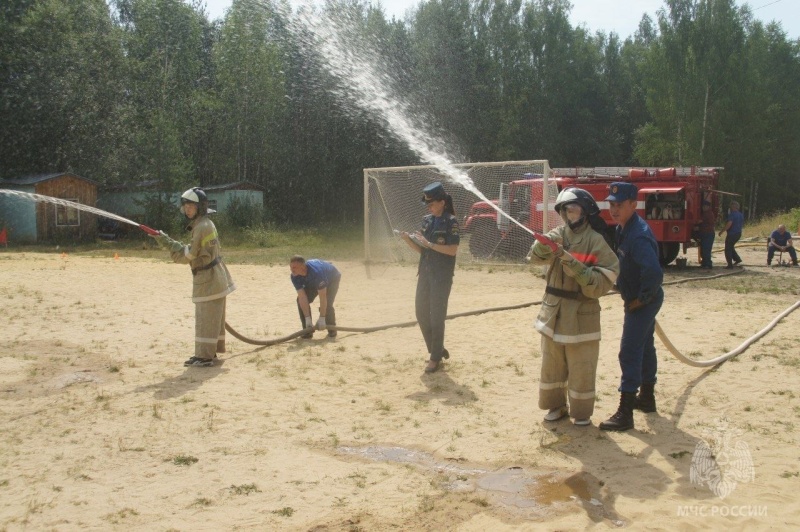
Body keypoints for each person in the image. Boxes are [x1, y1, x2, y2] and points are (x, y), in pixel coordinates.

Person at [527, 188, 619, 426]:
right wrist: (544, 247)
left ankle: (581, 412)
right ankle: (555, 406)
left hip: (581, 315)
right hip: (553, 313)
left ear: (585, 212)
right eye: (566, 210)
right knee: (552, 363)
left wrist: (572, 263)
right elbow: (534, 258)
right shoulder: (558, 233)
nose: (569, 215)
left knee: (581, 366)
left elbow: (601, 284)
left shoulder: (596, 241)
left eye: (574, 209)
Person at [600, 182, 664, 432]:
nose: (614, 210)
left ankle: (625, 413)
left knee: (629, 351)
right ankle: (647, 398)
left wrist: (641, 299)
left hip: (642, 302)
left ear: (632, 205)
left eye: (619, 205)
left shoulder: (637, 235)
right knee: (645, 346)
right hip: (637, 298)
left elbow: (654, 272)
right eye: (612, 205)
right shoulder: (623, 228)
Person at [152, 187, 236, 367]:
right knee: (212, 319)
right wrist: (167, 241)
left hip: (208, 279)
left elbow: (189, 255)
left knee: (206, 319)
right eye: (185, 206)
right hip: (214, 278)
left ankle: (205, 357)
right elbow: (193, 251)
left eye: (191, 206)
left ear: (200, 207)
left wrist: (166, 243)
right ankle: (207, 353)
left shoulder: (202, 227)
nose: (187, 209)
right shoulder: (203, 224)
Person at [400, 182, 460, 374]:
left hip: (441, 276)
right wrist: (409, 241)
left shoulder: (451, 222)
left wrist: (430, 244)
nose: (429, 206)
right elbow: (423, 250)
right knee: (421, 313)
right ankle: (437, 350)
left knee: (437, 317)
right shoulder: (426, 220)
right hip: (425, 273)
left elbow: (452, 250)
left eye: (432, 203)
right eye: (428, 204)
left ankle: (434, 358)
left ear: (442, 202)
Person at [289, 256, 342, 338]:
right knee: (299, 301)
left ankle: (332, 330)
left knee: (327, 304)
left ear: (302, 267)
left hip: (332, 278)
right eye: (291, 267)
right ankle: (307, 331)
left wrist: (322, 318)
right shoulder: (294, 276)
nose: (291, 270)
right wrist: (307, 319)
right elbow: (302, 297)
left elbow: (323, 297)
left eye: (294, 267)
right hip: (313, 281)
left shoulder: (317, 272)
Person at [718, 201, 744, 269]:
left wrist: (722, 231)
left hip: (732, 234)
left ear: (733, 207)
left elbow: (729, 224)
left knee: (728, 249)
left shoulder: (732, 215)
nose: (730, 208)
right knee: (731, 246)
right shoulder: (740, 214)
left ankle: (730, 265)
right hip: (738, 233)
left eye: (731, 206)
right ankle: (737, 259)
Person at [697, 200, 716, 269]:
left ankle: (708, 264)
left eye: (705, 206)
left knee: (706, 249)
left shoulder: (707, 213)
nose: (703, 207)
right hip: (706, 233)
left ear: (708, 207)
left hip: (708, 234)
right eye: (703, 206)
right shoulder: (707, 213)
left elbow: (700, 221)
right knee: (704, 249)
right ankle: (704, 263)